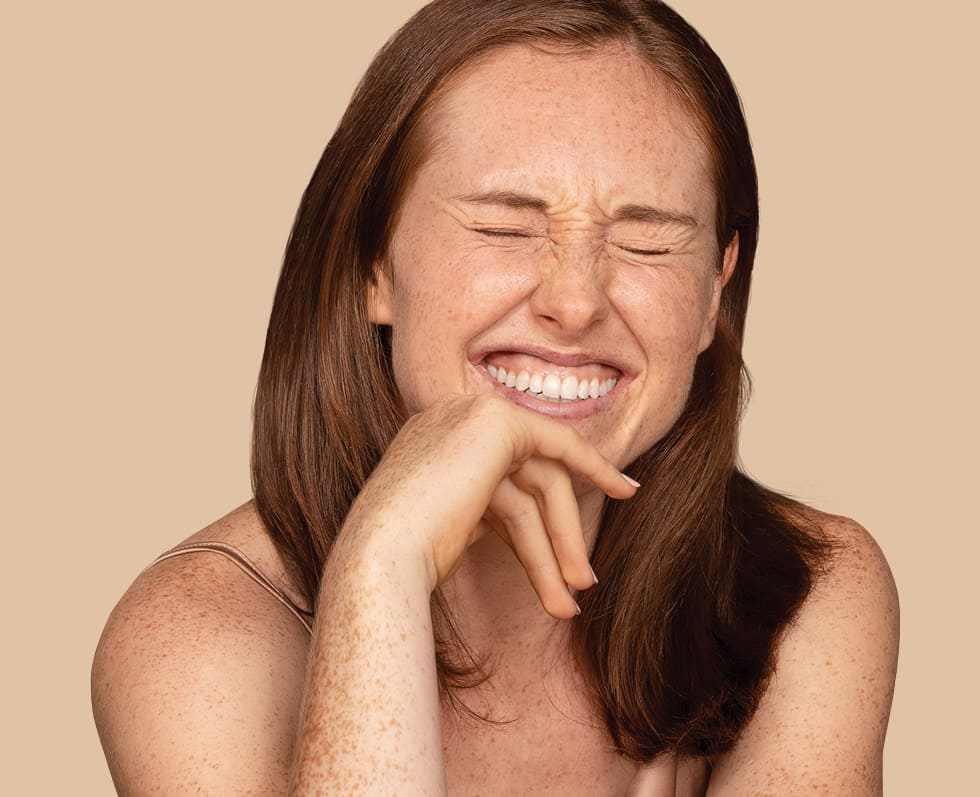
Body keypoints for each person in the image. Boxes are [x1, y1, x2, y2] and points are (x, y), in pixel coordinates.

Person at [91, 1, 899, 793]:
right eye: (506, 227)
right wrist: (382, 568)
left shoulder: (813, 590)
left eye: (647, 238)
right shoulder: (193, 640)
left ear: (713, 296)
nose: (576, 302)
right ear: (376, 265)